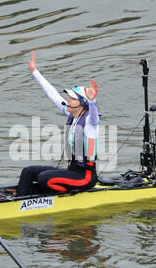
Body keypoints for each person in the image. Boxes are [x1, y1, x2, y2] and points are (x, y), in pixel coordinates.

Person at [14, 52, 100, 196]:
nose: (68, 100)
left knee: (44, 179)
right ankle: (21, 201)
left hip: (85, 176)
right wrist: (35, 72)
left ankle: (69, 197)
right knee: (27, 172)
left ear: (83, 104)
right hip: (72, 171)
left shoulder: (90, 122)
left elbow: (95, 117)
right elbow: (53, 94)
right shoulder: (73, 115)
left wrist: (91, 101)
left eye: (72, 98)